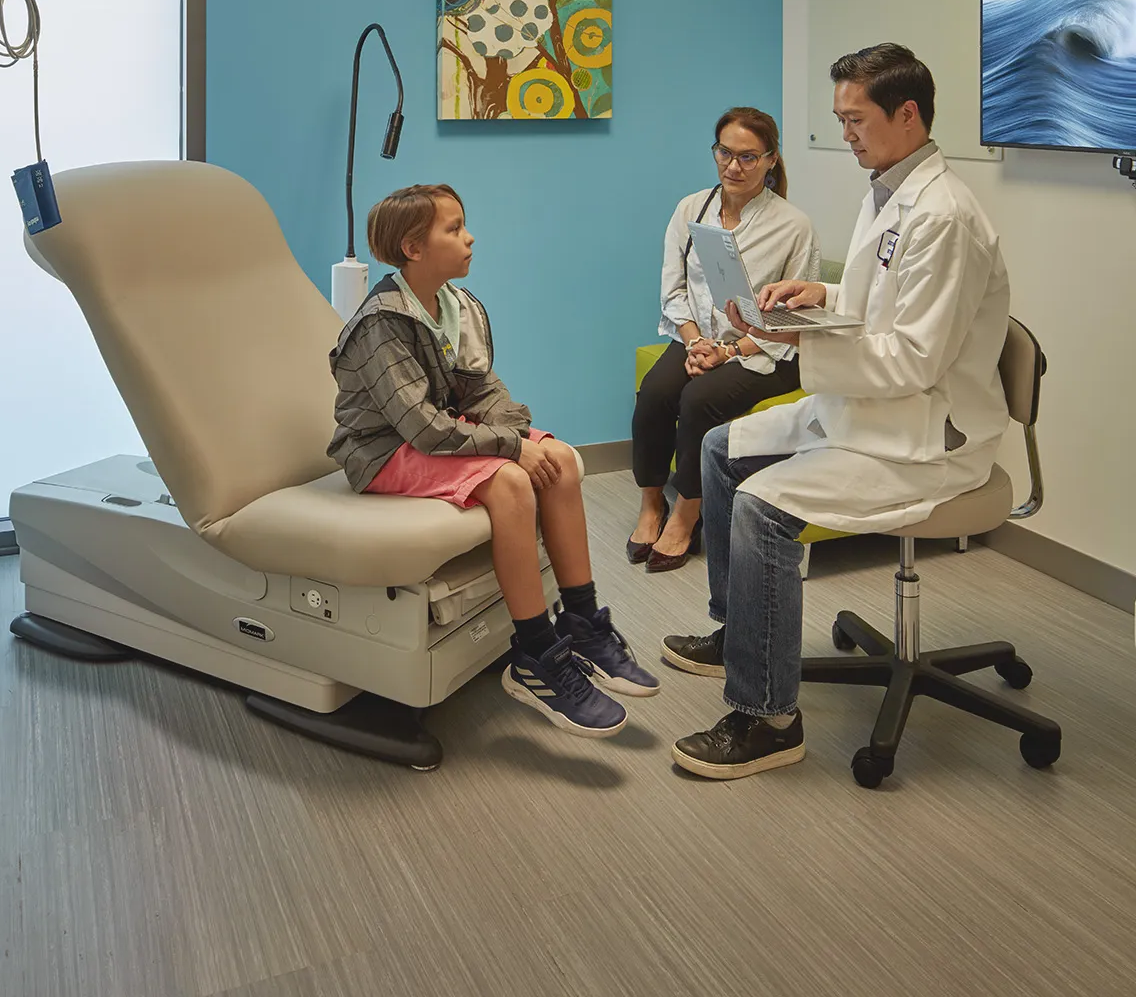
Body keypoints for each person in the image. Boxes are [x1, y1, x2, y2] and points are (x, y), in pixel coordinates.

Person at [663, 45, 1010, 780]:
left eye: (856, 120)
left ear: (906, 115)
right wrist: (824, 299)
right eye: (841, 119)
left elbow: (916, 358)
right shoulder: (888, 189)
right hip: (868, 407)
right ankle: (740, 634)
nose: (845, 134)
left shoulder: (943, 215)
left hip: (923, 437)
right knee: (722, 447)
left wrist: (792, 346)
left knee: (762, 507)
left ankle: (767, 718)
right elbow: (882, 309)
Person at [328, 182, 660, 738]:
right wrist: (510, 446)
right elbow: (424, 429)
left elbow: (482, 393)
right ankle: (536, 656)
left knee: (559, 460)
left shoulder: (459, 306)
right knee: (510, 483)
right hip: (382, 451)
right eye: (453, 229)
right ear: (413, 248)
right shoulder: (383, 322)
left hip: (436, 435)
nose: (470, 237)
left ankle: (583, 624)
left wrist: (520, 433)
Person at [629, 107, 820, 571]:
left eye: (749, 157)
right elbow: (672, 290)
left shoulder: (793, 226)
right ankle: (652, 503)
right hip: (700, 339)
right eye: (725, 153)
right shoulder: (691, 209)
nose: (733, 167)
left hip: (765, 351)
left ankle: (686, 514)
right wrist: (696, 344)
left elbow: (796, 317)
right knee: (655, 393)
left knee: (698, 400)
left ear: (771, 160)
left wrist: (732, 350)